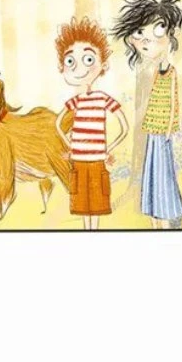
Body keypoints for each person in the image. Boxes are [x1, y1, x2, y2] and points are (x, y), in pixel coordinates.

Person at [111, 0, 182, 228]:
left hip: (163, 132)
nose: (145, 41)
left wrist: (170, 127)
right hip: (153, 130)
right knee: (152, 172)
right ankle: (154, 217)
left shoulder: (171, 71)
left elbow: (173, 100)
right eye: (139, 34)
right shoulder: (155, 72)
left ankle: (166, 216)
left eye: (157, 29)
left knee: (163, 174)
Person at [54, 16, 128, 230]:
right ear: (62, 67)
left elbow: (124, 128)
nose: (79, 68)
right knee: (81, 203)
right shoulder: (76, 100)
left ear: (103, 64)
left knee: (96, 203)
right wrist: (70, 146)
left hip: (97, 161)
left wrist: (107, 149)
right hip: (78, 161)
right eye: (70, 61)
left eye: (88, 59)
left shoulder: (103, 98)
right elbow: (58, 124)